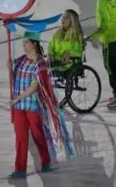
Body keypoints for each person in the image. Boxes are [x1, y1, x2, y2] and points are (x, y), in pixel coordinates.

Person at [8, 31, 73, 179]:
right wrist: (9, 67)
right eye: (23, 43)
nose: (24, 46)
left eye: (27, 43)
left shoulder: (40, 63)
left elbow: (34, 87)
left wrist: (16, 99)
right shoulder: (20, 60)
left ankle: (45, 161)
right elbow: (14, 77)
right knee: (20, 138)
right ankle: (20, 169)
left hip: (32, 106)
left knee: (38, 135)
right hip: (18, 108)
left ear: (35, 43)